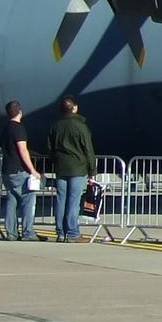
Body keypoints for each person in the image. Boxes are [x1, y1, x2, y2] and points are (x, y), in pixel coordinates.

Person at [46, 96, 96, 242]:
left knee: (61, 200)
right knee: (74, 201)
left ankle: (60, 232)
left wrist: (56, 160)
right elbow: (88, 149)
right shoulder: (81, 126)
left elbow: (49, 148)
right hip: (78, 168)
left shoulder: (55, 126)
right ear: (74, 108)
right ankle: (73, 232)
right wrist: (92, 170)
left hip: (61, 168)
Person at [0, 100, 40, 241]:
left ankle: (11, 232)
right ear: (20, 112)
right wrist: (32, 170)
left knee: (12, 199)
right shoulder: (18, 128)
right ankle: (28, 232)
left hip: (6, 170)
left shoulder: (5, 128)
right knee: (28, 199)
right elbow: (22, 150)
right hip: (18, 170)